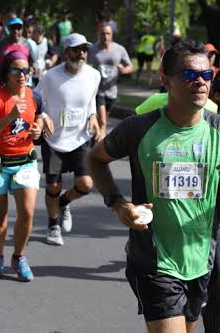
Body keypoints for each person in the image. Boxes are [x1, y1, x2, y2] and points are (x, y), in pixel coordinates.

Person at [87, 40, 220, 333]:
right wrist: (118, 203)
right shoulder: (139, 128)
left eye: (206, 75)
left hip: (201, 262)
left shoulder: (218, 131)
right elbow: (95, 158)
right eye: (189, 75)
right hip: (154, 262)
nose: (200, 81)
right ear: (165, 80)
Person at [0, 52, 43, 281]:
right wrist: (11, 116)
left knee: (26, 212)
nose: (22, 75)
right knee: (1, 215)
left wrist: (39, 128)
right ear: (7, 74)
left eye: (26, 70)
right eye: (17, 70)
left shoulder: (35, 96)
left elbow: (41, 116)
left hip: (25, 160)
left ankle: (19, 256)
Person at [35, 33, 102, 246]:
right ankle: (53, 225)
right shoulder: (51, 77)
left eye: (84, 49)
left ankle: (64, 202)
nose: (81, 53)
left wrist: (93, 117)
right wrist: (43, 117)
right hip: (54, 139)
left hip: (80, 137)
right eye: (76, 49)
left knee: (86, 184)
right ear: (66, 52)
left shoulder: (93, 75)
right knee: (53, 186)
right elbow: (36, 99)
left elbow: (90, 100)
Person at [88, 23, 134, 137]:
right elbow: (85, 64)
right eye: (103, 34)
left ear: (112, 35)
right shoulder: (92, 49)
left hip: (112, 91)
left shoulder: (119, 49)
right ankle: (100, 148)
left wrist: (123, 70)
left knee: (102, 121)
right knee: (103, 122)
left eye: (108, 34)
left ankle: (96, 139)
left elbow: (131, 66)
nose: (105, 36)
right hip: (98, 90)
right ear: (99, 34)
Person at [135, 22, 158, 88]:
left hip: (149, 54)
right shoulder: (140, 34)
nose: (146, 29)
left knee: (149, 68)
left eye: (148, 28)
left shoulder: (152, 35)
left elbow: (154, 45)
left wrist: (156, 54)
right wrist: (142, 41)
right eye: (145, 27)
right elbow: (135, 42)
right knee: (140, 68)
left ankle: (150, 84)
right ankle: (137, 82)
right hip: (141, 53)